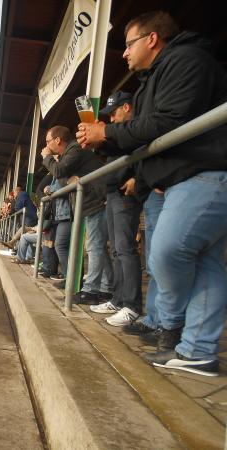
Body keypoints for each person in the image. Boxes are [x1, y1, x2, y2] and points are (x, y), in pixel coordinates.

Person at [76, 11, 227, 376]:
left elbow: (166, 123)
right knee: (203, 262)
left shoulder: (187, 59)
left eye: (128, 44)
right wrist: (101, 141)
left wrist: (107, 135)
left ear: (152, 39)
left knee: (165, 253)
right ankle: (197, 351)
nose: (124, 54)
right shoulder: (157, 75)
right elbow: (145, 139)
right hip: (187, 178)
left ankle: (170, 326)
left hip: (207, 174)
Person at [87, 92, 144, 327]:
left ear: (127, 107)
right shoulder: (119, 134)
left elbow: (147, 151)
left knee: (125, 248)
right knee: (116, 250)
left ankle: (131, 305)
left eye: (114, 112)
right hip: (112, 194)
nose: (110, 119)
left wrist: (137, 178)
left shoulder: (137, 128)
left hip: (124, 193)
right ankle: (118, 299)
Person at [42, 125, 112, 299]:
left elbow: (59, 172)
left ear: (57, 140)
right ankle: (106, 286)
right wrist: (67, 177)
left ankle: (91, 291)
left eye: (47, 141)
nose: (46, 145)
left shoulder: (74, 149)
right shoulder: (69, 153)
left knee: (95, 246)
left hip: (95, 200)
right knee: (98, 246)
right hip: (90, 202)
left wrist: (47, 157)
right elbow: (64, 178)